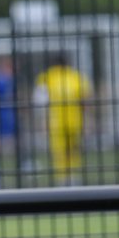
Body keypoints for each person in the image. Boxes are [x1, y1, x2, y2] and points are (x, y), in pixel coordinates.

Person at [34, 52, 92, 185]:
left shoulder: (46, 77)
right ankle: (73, 178)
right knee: (73, 151)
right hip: (75, 121)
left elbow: (40, 102)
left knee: (59, 152)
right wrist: (87, 121)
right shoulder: (76, 76)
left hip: (55, 123)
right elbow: (85, 101)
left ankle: (62, 180)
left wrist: (43, 121)